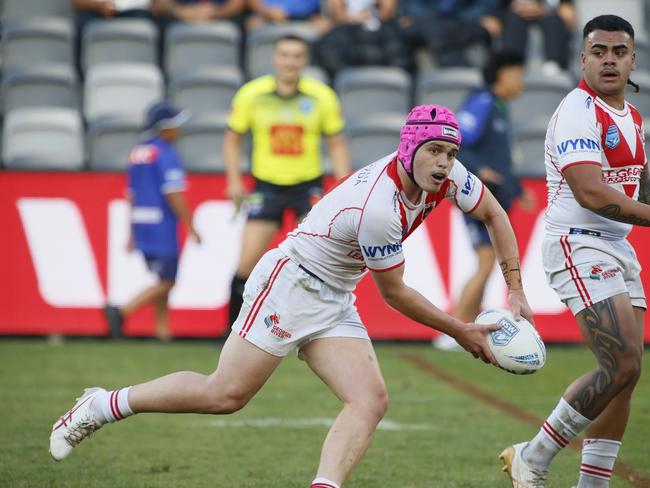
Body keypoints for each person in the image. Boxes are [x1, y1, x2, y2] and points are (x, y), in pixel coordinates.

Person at [50, 104, 534, 488]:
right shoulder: (378, 208)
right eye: (434, 151)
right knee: (224, 395)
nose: (444, 163)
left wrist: (514, 289)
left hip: (335, 294)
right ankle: (103, 405)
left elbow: (495, 214)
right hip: (291, 282)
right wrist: (463, 330)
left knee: (369, 400)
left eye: (451, 153)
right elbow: (396, 294)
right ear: (410, 149)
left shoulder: (450, 176)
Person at [500, 15, 646, 488]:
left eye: (618, 52)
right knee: (620, 363)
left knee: (627, 374)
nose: (608, 59)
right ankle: (534, 455)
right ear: (582, 58)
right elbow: (590, 192)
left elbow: (635, 189)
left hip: (616, 245)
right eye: (598, 51)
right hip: (577, 244)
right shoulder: (577, 111)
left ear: (632, 59)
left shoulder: (633, 116)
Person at [224, 34, 350, 332]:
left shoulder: (322, 96)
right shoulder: (251, 95)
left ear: (304, 61)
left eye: (296, 56)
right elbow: (232, 139)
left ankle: (315, 329)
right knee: (246, 264)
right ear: (275, 58)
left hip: (308, 187)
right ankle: (231, 331)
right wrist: (233, 181)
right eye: (284, 55)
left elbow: (337, 143)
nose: (290, 61)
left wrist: (344, 185)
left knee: (316, 262)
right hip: (264, 187)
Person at [433, 50, 536, 351]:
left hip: (495, 198)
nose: (522, 82)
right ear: (503, 74)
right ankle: (453, 330)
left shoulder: (501, 108)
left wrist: (516, 188)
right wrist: (479, 170)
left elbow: (501, 161)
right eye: (518, 74)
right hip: (476, 198)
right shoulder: (483, 102)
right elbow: (458, 142)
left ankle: (466, 327)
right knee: (486, 261)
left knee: (487, 263)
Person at [103, 101, 201, 341]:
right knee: (167, 281)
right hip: (161, 226)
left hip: (141, 222)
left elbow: (132, 194)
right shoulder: (166, 154)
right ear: (164, 128)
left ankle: (162, 331)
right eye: (176, 125)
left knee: (161, 278)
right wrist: (190, 225)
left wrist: (131, 232)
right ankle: (121, 311)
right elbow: (173, 194)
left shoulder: (137, 152)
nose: (179, 131)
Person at [312, 0, 412, 77]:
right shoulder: (335, 36)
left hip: (382, 31)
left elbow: (387, 11)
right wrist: (350, 19)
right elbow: (337, 13)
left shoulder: (392, 33)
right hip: (345, 31)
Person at [500, 0, 576, 75]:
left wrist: (545, 8)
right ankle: (512, 64)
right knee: (512, 21)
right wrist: (516, 7)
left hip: (548, 13)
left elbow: (565, 5)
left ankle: (553, 62)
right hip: (515, 13)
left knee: (554, 21)